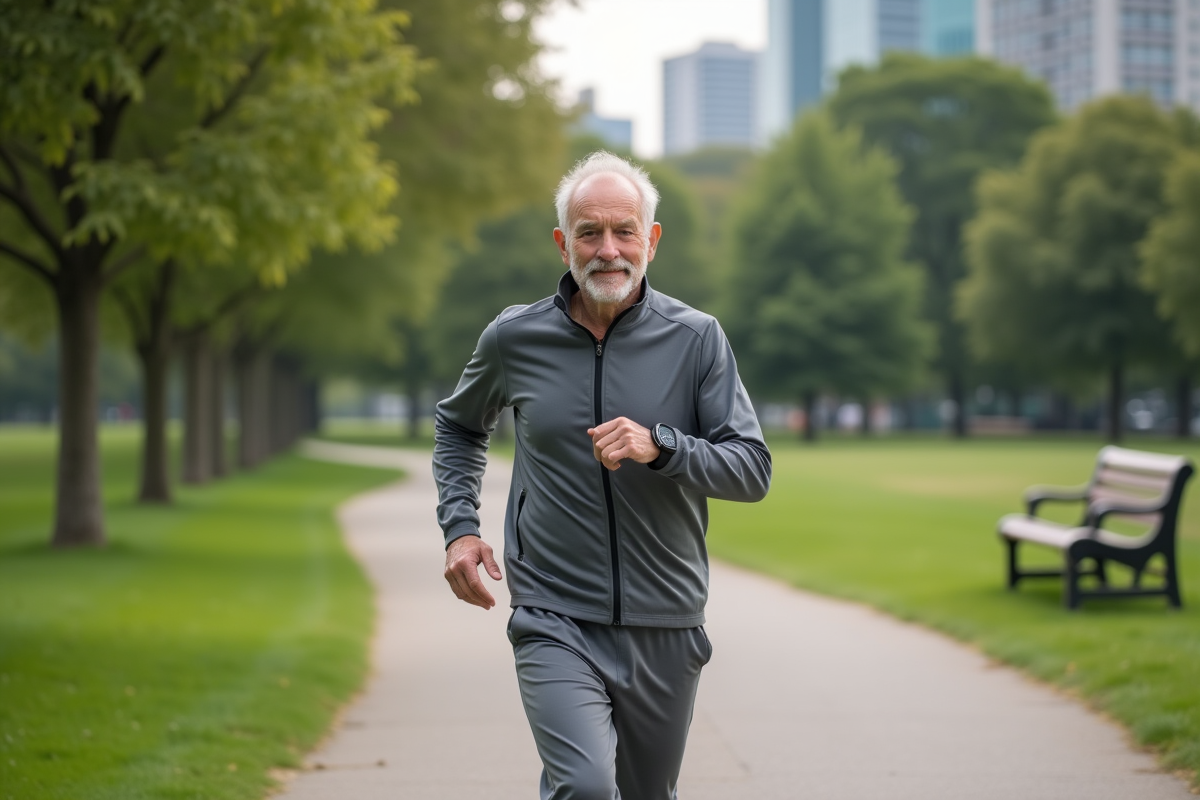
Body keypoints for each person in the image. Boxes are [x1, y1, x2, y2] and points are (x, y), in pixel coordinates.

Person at [433, 150, 771, 800]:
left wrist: (661, 446)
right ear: (564, 244)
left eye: (624, 231)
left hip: (666, 618)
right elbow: (459, 426)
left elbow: (751, 469)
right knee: (585, 787)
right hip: (553, 612)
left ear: (652, 240)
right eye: (589, 232)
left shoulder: (697, 339)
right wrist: (460, 529)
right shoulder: (514, 338)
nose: (608, 250)